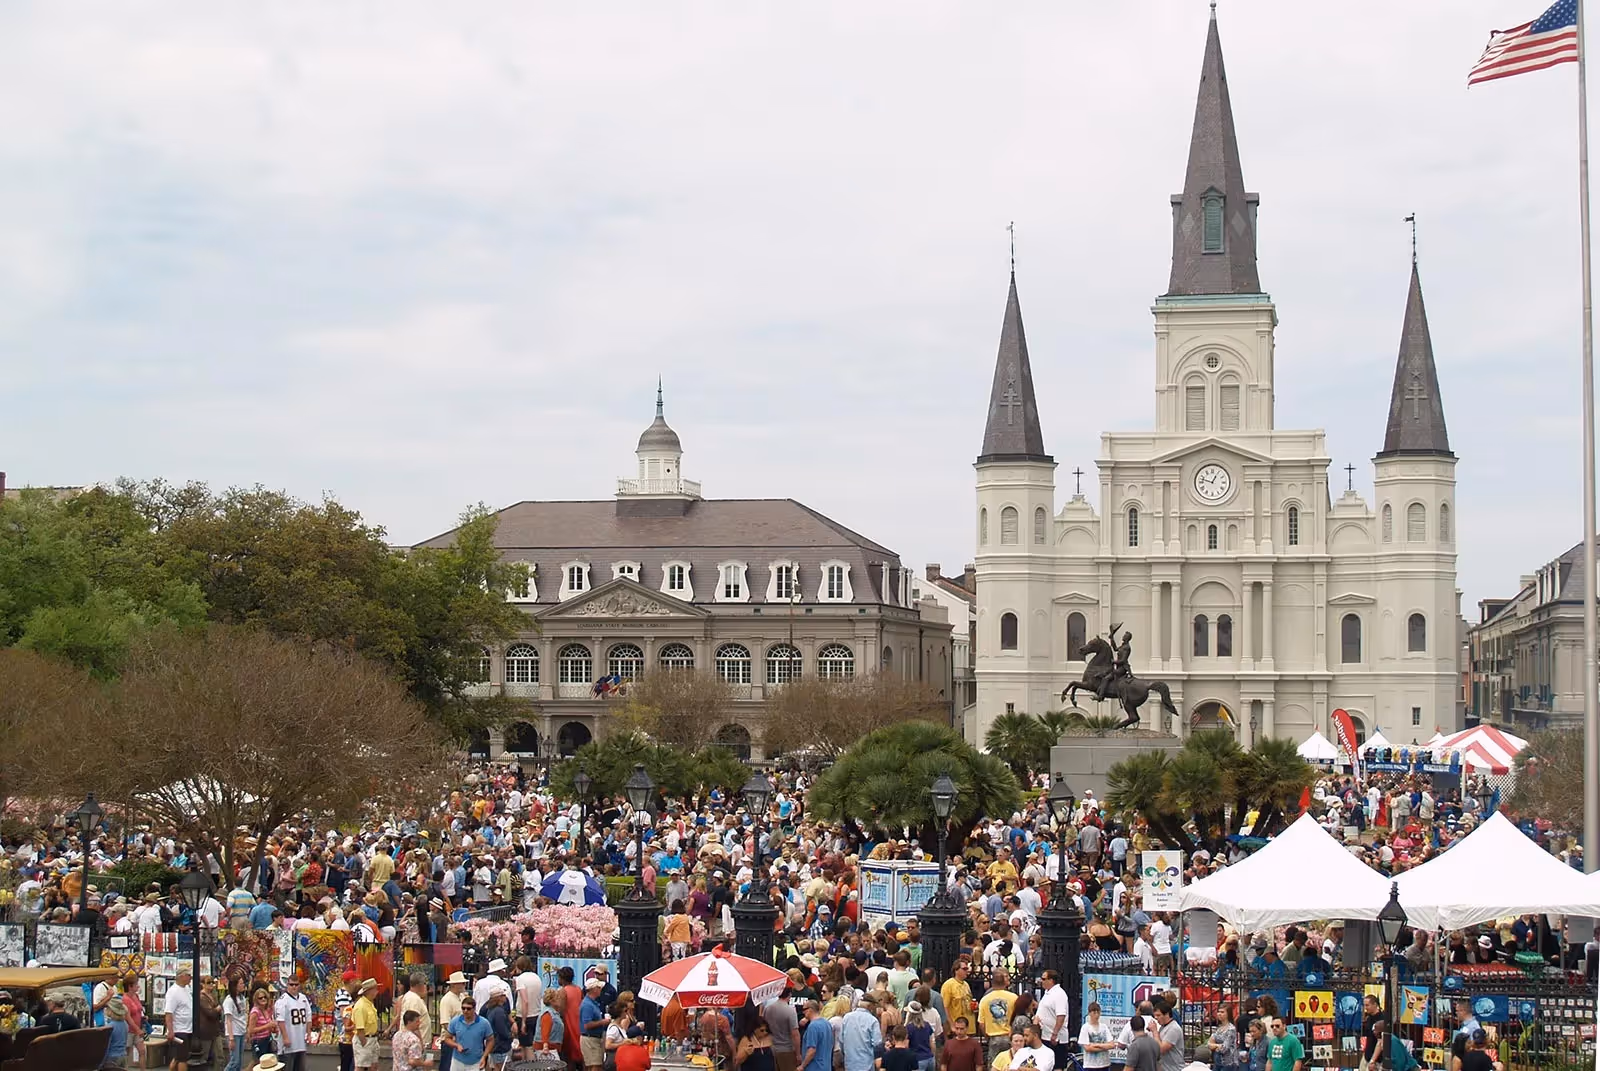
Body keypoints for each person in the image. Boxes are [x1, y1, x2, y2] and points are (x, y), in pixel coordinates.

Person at [446, 996, 495, 1071]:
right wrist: (456, 1045)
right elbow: (447, 1038)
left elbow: (491, 1040)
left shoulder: (484, 1023)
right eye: (463, 1008)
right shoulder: (455, 1021)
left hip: (476, 1062)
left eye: (468, 1009)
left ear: (474, 1009)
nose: (465, 1011)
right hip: (458, 1061)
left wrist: (484, 1056)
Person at [275, 976, 314, 1071]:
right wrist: (285, 1037)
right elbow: (280, 1021)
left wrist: (308, 1034)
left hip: (301, 1043)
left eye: (296, 985)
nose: (294, 987)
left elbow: (308, 1017)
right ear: (287, 985)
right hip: (288, 1045)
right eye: (291, 984)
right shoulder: (282, 1001)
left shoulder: (303, 998)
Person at [841, 994, 885, 1071]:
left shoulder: (846, 1018)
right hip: (866, 1064)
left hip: (850, 1064)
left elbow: (841, 1040)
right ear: (870, 1006)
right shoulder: (872, 1020)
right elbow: (877, 1043)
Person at [1036, 970, 1070, 1068]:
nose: (1041, 981)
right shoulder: (1047, 993)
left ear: (1051, 980)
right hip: (1045, 1036)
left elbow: (1061, 1015)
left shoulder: (1059, 994)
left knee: (1057, 1066)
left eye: (1043, 979)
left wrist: (1054, 1034)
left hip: (1055, 1039)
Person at [765, 985, 803, 1071]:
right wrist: (798, 1054)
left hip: (772, 1048)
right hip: (787, 1049)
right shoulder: (790, 1011)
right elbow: (795, 1034)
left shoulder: (768, 1009)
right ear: (790, 994)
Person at [165, 967, 195, 1071]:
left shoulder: (187, 989)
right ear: (181, 976)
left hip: (188, 1028)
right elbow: (169, 1013)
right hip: (179, 1029)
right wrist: (170, 1031)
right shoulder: (173, 992)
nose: (190, 978)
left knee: (178, 1057)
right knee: (182, 1059)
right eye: (188, 975)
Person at [580, 978, 612, 1071]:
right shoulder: (587, 1005)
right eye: (599, 987)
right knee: (595, 1066)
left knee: (596, 1065)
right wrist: (603, 1022)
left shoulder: (592, 1003)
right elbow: (587, 1024)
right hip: (590, 1039)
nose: (600, 989)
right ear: (594, 989)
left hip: (594, 1038)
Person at [399, 974, 435, 1056]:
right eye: (425, 984)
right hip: (414, 1044)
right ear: (420, 985)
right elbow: (413, 1023)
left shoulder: (413, 998)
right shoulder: (413, 1000)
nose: (426, 987)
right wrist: (421, 1044)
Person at [351, 979, 382, 1071]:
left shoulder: (369, 1004)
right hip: (365, 1039)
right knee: (360, 1066)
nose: (377, 991)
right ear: (369, 991)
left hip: (372, 1039)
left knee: (373, 1065)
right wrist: (364, 1043)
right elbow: (360, 1029)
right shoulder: (361, 1006)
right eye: (375, 989)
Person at [439, 973, 467, 1071]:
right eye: (461, 983)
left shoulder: (462, 997)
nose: (464, 985)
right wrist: (455, 1035)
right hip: (451, 1039)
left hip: (461, 1038)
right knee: (448, 1066)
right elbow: (445, 1023)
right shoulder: (447, 1000)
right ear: (454, 985)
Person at [1078, 1002, 1115, 1071]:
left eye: (1098, 1012)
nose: (1096, 1015)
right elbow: (1087, 1048)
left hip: (1104, 1064)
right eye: (1094, 1013)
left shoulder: (1104, 1027)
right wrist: (1104, 1047)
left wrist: (1096, 1045)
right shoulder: (1085, 1027)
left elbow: (1112, 1045)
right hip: (1090, 1065)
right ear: (1089, 1013)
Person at [222, 978, 248, 1071]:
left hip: (241, 1031)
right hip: (234, 1032)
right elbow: (228, 1020)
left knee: (239, 1061)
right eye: (241, 983)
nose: (243, 985)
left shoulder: (242, 998)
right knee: (234, 1061)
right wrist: (231, 1038)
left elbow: (244, 1015)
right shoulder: (229, 1000)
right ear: (235, 986)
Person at [801, 1000, 834, 1071]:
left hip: (815, 1067)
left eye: (804, 1009)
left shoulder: (813, 1026)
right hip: (826, 1066)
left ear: (810, 1010)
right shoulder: (826, 1023)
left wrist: (802, 1066)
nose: (803, 1012)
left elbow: (811, 1050)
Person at [1152, 999, 1184, 1071]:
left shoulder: (1173, 1029)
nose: (1156, 1018)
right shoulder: (1163, 1027)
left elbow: (1161, 1049)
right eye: (1155, 1015)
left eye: (1158, 1015)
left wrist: (1154, 1032)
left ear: (1167, 1014)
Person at [247, 989, 276, 1067]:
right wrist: (267, 1026)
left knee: (268, 1063)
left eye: (265, 997)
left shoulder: (266, 1010)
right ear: (256, 1000)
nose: (263, 999)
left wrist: (273, 1028)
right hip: (259, 1041)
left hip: (268, 1039)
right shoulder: (255, 1012)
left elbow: (269, 1024)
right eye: (260, 998)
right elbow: (251, 1030)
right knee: (259, 1063)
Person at [102, 996, 131, 1070]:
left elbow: (107, 1046)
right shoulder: (125, 1023)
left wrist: (101, 1062)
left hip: (112, 1057)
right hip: (123, 1055)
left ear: (111, 1011)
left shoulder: (110, 1026)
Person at [1206, 1005, 1239, 1071]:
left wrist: (1214, 1045)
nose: (1219, 1014)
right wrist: (1217, 1045)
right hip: (1218, 1062)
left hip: (1228, 1063)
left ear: (1228, 1014)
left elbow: (1224, 1048)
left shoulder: (1231, 1029)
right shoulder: (1219, 1029)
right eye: (1218, 1012)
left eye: (1222, 1012)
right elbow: (1208, 1044)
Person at [1359, 995, 1387, 1071]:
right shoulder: (1369, 1018)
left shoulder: (1381, 1019)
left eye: (1367, 1005)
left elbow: (1380, 1042)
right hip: (1366, 1055)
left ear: (1375, 1004)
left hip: (1377, 1059)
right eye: (1364, 1005)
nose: (1365, 1008)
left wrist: (1373, 1060)